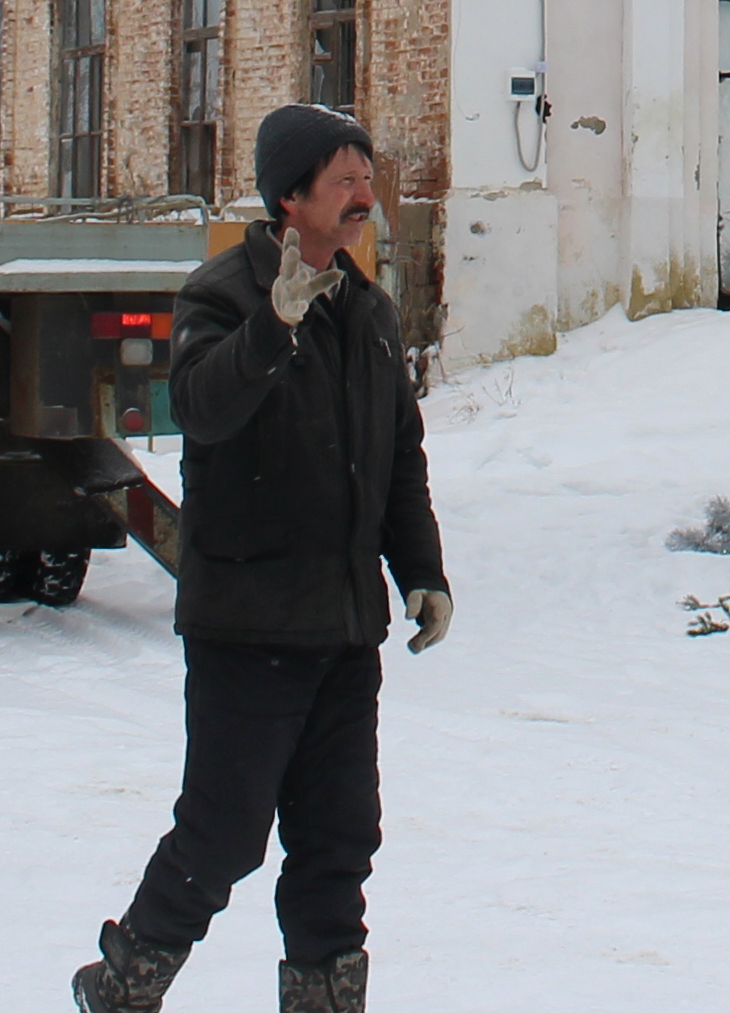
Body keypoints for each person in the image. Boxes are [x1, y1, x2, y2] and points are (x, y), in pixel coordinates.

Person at [82, 104, 451, 1013]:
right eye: (345, 181)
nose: (366, 196)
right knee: (224, 834)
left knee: (339, 839)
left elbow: (397, 457)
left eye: (367, 178)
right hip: (247, 624)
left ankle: (325, 1000)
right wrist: (272, 326)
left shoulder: (368, 310)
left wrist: (422, 572)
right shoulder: (222, 297)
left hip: (341, 628)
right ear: (291, 199)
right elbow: (203, 410)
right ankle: (127, 983)